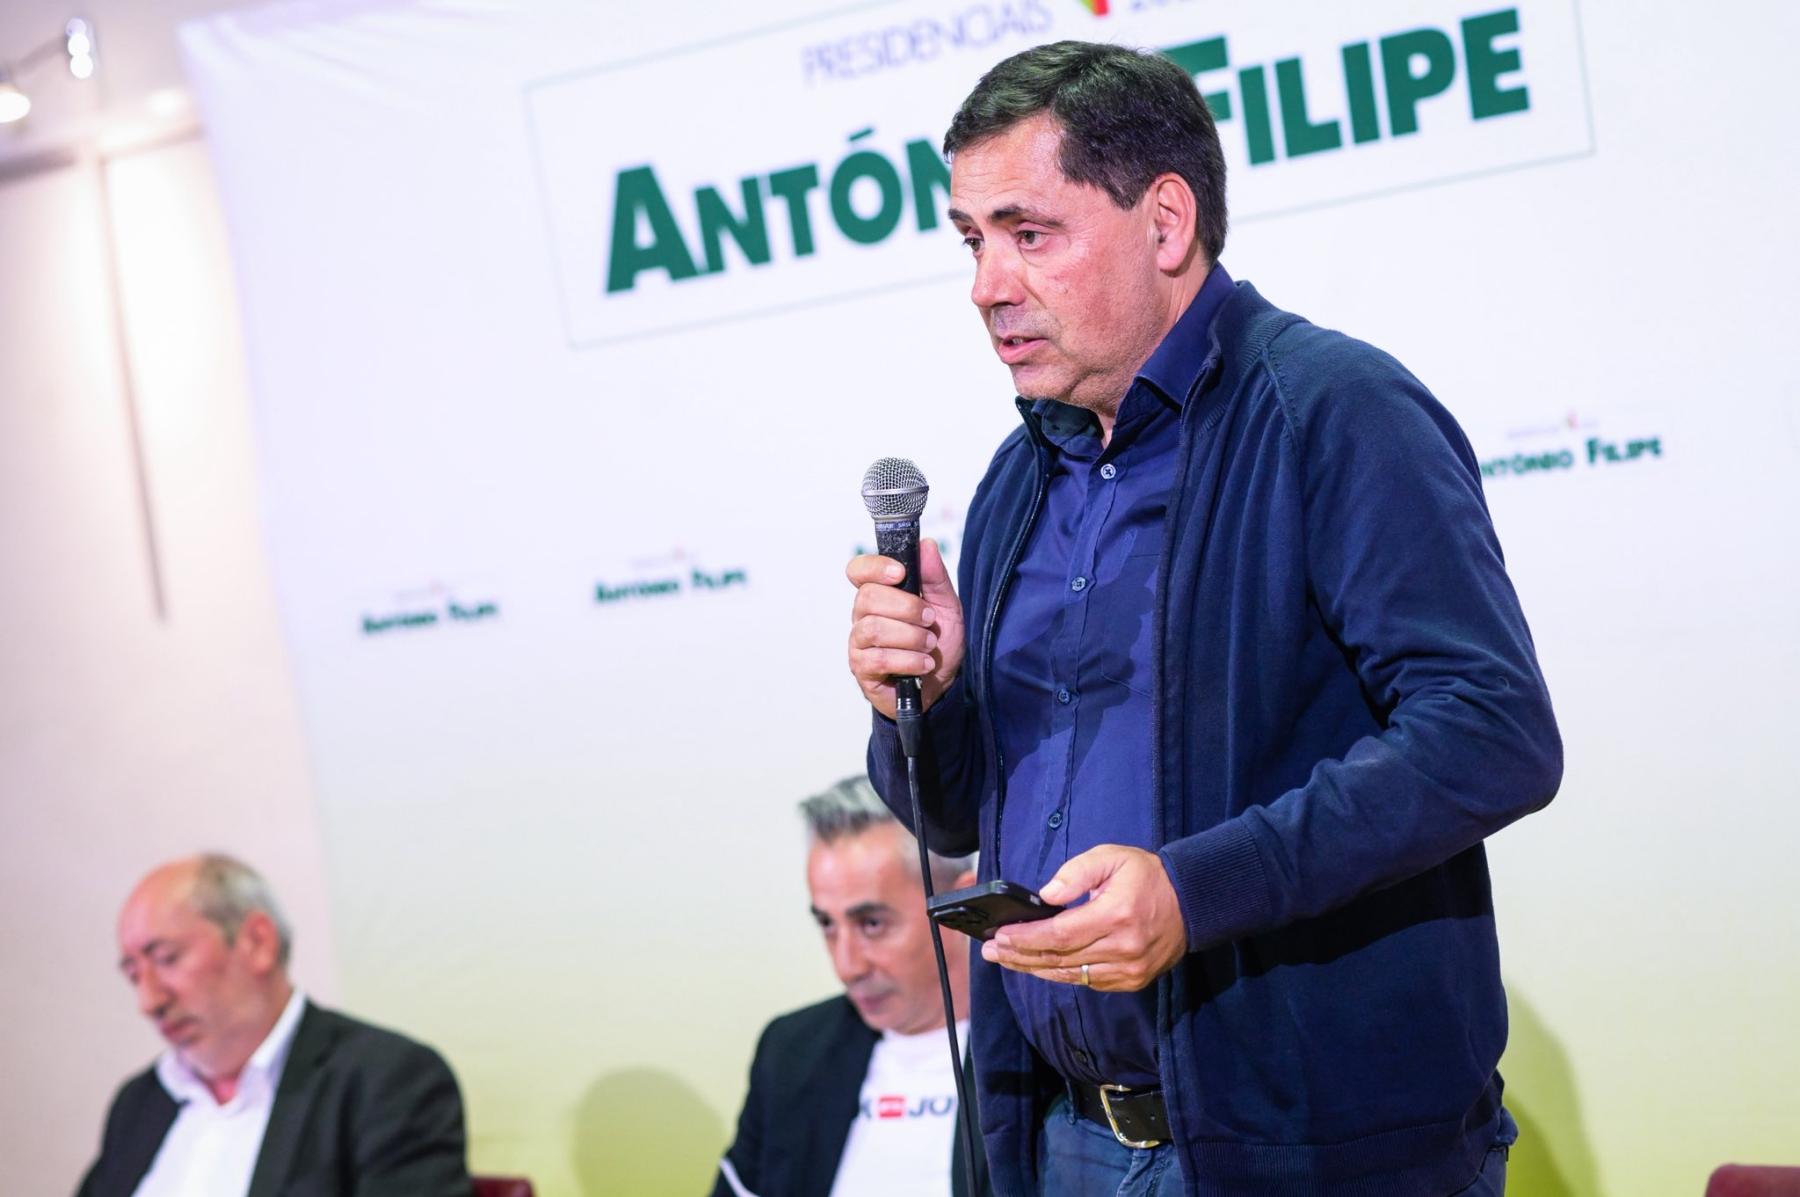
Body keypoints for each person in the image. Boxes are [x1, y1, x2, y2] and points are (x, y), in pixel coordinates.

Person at [845, 40, 1562, 1197]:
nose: (987, 284)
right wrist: (919, 704)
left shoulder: (1334, 412)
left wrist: (1195, 892)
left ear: (1166, 222)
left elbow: (1492, 735)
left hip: (1311, 1156)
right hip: (1063, 1138)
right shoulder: (1019, 479)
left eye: (1030, 234)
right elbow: (959, 811)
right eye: (973, 240)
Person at [76, 854, 472, 1197]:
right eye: (133, 975)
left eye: (167, 959)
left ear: (257, 942)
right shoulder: (141, 1102)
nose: (149, 1001)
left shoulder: (385, 1081)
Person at [712, 776, 992, 1197]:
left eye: (872, 924)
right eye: (827, 924)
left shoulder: (1048, 1054)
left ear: (959, 907)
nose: (847, 967)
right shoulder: (791, 1052)